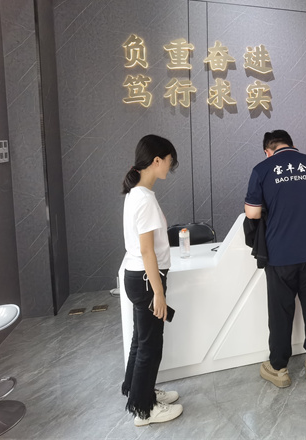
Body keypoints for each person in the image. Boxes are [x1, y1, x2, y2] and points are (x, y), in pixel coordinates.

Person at [245, 130, 306, 388]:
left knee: (280, 313)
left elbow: (252, 213)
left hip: (280, 253)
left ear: (267, 151)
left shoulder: (262, 169)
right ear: (292, 145)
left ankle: (279, 369)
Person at [121, 135, 183, 426]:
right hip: (147, 279)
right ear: (156, 160)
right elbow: (147, 251)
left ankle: (138, 392)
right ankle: (144, 410)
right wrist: (159, 293)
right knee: (150, 346)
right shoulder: (143, 199)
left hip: (138, 277)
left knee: (141, 340)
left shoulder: (137, 193)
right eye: (169, 161)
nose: (169, 167)